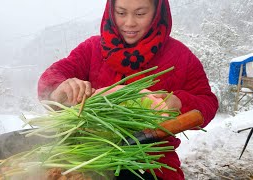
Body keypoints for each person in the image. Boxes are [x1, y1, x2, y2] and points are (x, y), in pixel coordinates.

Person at [38, 0, 219, 179]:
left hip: (151, 162)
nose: (129, 23)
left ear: (157, 13)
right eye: (121, 13)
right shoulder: (92, 49)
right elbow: (53, 75)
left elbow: (207, 101)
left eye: (140, 14)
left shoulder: (179, 56)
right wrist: (59, 88)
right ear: (111, 11)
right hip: (87, 155)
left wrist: (179, 102)